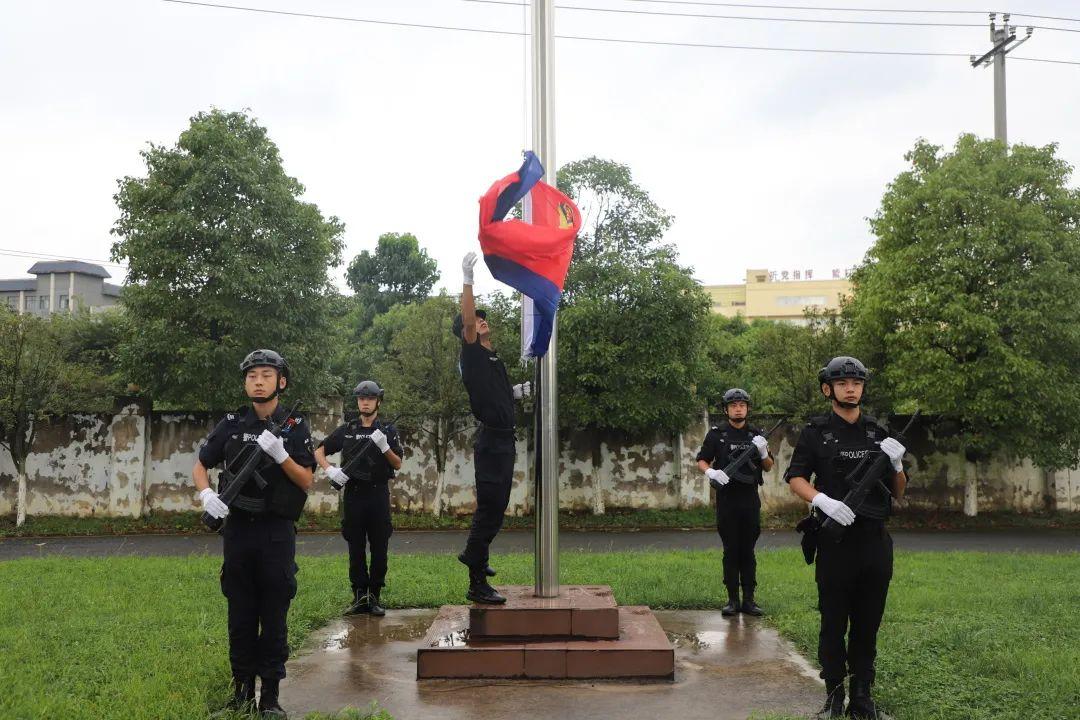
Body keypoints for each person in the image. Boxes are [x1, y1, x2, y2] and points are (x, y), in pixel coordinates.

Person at [784, 356, 908, 719]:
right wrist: (822, 500)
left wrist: (898, 464)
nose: (851, 388)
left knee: (868, 622)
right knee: (833, 622)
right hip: (835, 544)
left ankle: (863, 694)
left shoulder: (878, 432)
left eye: (856, 382)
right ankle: (835, 695)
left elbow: (898, 492)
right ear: (829, 389)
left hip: (874, 541)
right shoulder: (815, 432)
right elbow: (795, 477)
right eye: (842, 383)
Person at [193, 349, 314, 719]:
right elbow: (201, 464)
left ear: (282, 381)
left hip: (276, 534)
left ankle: (270, 697)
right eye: (251, 375)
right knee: (240, 612)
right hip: (238, 533)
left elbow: (307, 480)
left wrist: (281, 455)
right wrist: (206, 493)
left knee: (274, 614)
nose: (258, 381)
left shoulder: (294, 427)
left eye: (266, 374)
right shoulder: (231, 423)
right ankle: (241, 691)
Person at [454, 251, 531, 604]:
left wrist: (513, 394)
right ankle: (475, 575)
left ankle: (478, 559)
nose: (482, 322)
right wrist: (468, 279)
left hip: (504, 440)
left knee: (497, 507)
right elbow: (468, 323)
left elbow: (494, 396)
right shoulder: (471, 353)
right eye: (476, 322)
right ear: (466, 333)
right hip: (491, 443)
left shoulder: (493, 358)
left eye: (484, 320)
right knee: (489, 509)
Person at [315, 380, 403, 618]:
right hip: (354, 495)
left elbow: (397, 463)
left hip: (377, 494)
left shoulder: (387, 431)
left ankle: (374, 596)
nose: (365, 402)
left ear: (378, 401)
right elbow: (319, 450)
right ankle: (358, 596)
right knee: (355, 547)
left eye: (370, 398)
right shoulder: (348, 429)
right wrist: (330, 470)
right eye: (361, 398)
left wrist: (384, 446)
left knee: (379, 547)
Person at [696, 388, 774, 617]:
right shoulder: (716, 434)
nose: (738, 408)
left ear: (748, 408)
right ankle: (732, 600)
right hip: (727, 501)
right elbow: (702, 460)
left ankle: (749, 600)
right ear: (726, 409)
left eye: (742, 405)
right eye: (733, 405)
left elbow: (769, 466)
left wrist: (762, 451)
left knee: (747, 551)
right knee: (731, 550)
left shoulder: (756, 434)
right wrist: (711, 473)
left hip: (750, 500)